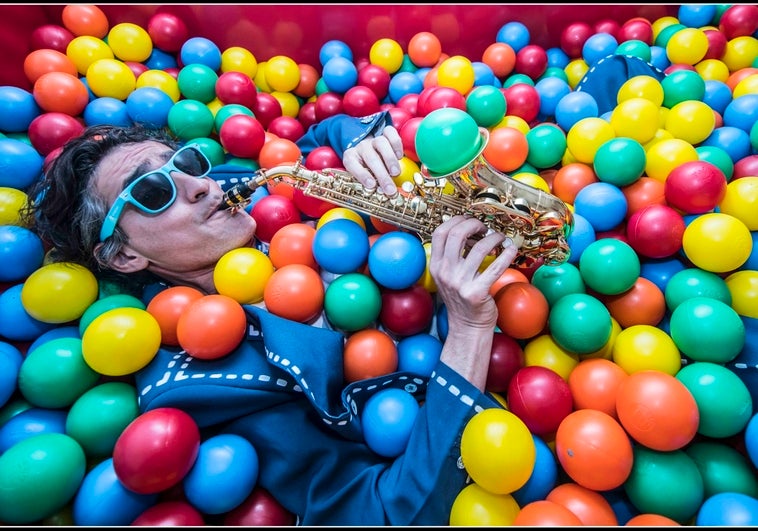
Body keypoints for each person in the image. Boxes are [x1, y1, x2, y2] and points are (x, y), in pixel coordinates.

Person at [22, 110, 519, 526]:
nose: (199, 185)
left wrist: (363, 142)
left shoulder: (235, 193)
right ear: (125, 257)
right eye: (153, 192)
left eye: (187, 163)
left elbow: (319, 135)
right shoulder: (209, 379)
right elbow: (386, 511)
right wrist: (471, 327)